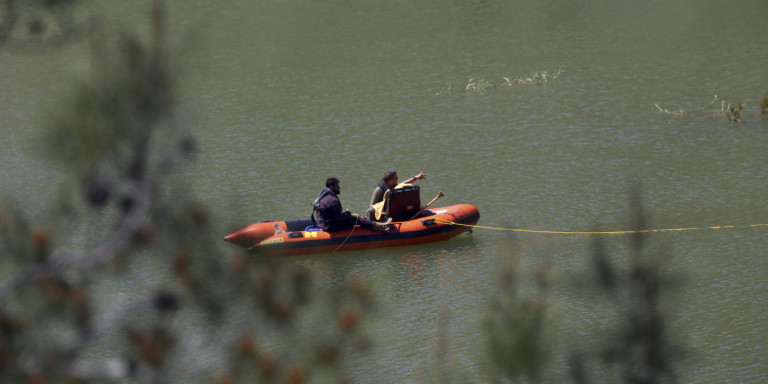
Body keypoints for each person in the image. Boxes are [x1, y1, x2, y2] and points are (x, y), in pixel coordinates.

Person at [314, 177, 391, 233]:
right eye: (337, 186)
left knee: (353, 218)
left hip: (323, 224)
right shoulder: (332, 200)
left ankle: (379, 224)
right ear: (331, 187)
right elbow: (339, 218)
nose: (339, 188)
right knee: (355, 219)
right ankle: (382, 227)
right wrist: (347, 214)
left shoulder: (323, 196)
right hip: (331, 227)